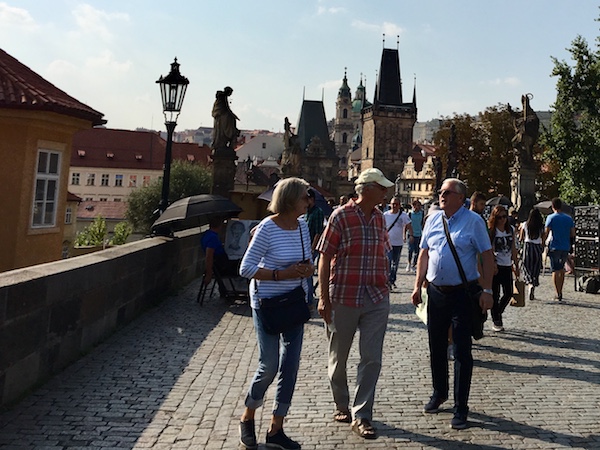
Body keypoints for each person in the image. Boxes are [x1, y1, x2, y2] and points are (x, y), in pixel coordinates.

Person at [411, 178, 494, 430]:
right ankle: (439, 392)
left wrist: (487, 289)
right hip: (436, 292)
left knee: (461, 350)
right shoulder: (433, 219)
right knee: (436, 346)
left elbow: (487, 256)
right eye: (441, 192)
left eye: (447, 192)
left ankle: (461, 406)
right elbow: (424, 252)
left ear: (461, 197)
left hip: (463, 294)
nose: (441, 196)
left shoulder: (474, 222)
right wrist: (417, 285)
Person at [317, 167, 393, 440]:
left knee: (372, 358)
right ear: (368, 189)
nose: (386, 193)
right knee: (339, 357)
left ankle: (362, 415)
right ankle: (341, 403)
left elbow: (384, 251)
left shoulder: (380, 219)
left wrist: (385, 282)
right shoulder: (341, 216)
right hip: (344, 297)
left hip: (375, 297)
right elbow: (324, 258)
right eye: (382, 188)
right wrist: (323, 297)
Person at [238, 177, 314, 450]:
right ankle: (248, 415)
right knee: (268, 366)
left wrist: (307, 269)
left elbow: (308, 261)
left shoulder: (302, 226)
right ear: (291, 199)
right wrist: (281, 274)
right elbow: (245, 269)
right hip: (267, 303)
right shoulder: (267, 229)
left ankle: (276, 429)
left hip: (293, 303)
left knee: (290, 368)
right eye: (306, 197)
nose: (309, 201)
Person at [487, 206, 519, 332]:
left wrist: (516, 264)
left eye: (504, 217)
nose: (502, 220)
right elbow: (489, 249)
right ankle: (497, 320)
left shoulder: (510, 229)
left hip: (507, 265)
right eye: (499, 217)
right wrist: (493, 263)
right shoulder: (492, 231)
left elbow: (513, 248)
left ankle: (497, 313)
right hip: (495, 266)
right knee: (495, 294)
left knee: (509, 293)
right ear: (495, 218)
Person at [543, 198, 575, 301]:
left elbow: (547, 232)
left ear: (553, 206)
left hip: (554, 246)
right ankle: (561, 290)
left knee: (555, 270)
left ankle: (558, 292)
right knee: (561, 269)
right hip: (565, 246)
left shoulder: (551, 218)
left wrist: (543, 243)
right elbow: (572, 233)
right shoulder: (568, 218)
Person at [201, 217, 240, 298]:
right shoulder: (213, 238)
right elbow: (209, 255)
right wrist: (209, 273)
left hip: (221, 264)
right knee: (244, 266)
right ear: (220, 225)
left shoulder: (207, 234)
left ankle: (225, 290)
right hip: (222, 267)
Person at [383, 198, 411, 289]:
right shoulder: (385, 215)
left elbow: (409, 225)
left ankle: (392, 280)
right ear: (390, 204)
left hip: (398, 243)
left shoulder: (403, 215)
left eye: (396, 204)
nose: (394, 206)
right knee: (388, 262)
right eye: (393, 204)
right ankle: (388, 281)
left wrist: (411, 235)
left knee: (395, 263)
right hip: (388, 243)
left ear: (399, 205)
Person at [304, 188, 325, 302]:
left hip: (312, 246)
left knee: (308, 273)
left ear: (311, 199)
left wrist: (312, 248)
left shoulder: (317, 212)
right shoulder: (306, 212)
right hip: (305, 246)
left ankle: (309, 300)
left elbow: (318, 231)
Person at [519, 208, 545, 300]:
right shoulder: (541, 226)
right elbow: (543, 238)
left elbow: (521, 237)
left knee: (526, 266)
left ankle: (529, 283)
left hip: (528, 246)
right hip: (537, 247)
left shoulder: (525, 224)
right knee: (536, 267)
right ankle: (533, 283)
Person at [406, 199, 424, 272]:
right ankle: (409, 263)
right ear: (413, 206)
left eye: (420, 205)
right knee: (410, 250)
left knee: (417, 251)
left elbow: (423, 223)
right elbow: (407, 225)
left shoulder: (422, 214)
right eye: (417, 205)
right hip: (411, 234)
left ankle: (414, 265)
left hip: (419, 234)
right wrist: (406, 235)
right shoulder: (410, 214)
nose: (419, 207)